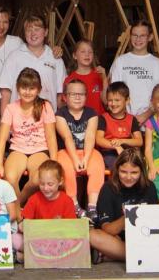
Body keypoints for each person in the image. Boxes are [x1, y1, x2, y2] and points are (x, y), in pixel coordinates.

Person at [0, 67, 58, 205]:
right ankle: (19, 213)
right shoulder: (11, 108)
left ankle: (19, 205)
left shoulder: (45, 106)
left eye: (32, 88)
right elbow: (2, 139)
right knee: (10, 178)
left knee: (37, 179)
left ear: (39, 90)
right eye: (24, 88)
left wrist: (54, 162)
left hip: (40, 150)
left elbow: (51, 137)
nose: (27, 92)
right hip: (17, 149)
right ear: (18, 88)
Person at [89, 148, 159, 263]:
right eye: (123, 172)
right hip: (117, 239)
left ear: (141, 171)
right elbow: (107, 229)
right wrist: (127, 217)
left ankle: (114, 256)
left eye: (134, 172)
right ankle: (141, 257)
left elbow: (155, 224)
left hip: (143, 237)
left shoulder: (149, 187)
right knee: (92, 235)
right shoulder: (108, 188)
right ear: (117, 170)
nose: (128, 177)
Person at [55, 79, 105, 220]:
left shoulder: (92, 113)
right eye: (73, 94)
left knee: (98, 162)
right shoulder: (60, 114)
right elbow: (67, 137)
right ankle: (74, 204)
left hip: (87, 150)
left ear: (86, 96)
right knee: (65, 167)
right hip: (67, 151)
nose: (77, 97)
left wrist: (86, 158)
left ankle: (92, 206)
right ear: (65, 97)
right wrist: (75, 159)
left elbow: (90, 136)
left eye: (81, 94)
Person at [0, 15, 67, 112]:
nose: (33, 33)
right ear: (24, 33)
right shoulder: (14, 57)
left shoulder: (55, 58)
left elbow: (60, 94)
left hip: (47, 116)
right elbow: (5, 91)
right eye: (29, 30)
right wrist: (4, 118)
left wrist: (62, 118)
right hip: (19, 117)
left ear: (46, 32)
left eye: (37, 29)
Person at [108, 20, 159, 124]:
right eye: (135, 35)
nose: (138, 39)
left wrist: (145, 115)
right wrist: (127, 118)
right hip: (123, 121)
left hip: (151, 123)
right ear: (130, 36)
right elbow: (113, 92)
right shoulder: (120, 61)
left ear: (150, 37)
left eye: (142, 36)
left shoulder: (157, 64)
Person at [96, 82, 144, 170]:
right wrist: (116, 146)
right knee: (117, 164)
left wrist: (121, 141)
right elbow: (99, 139)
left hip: (127, 151)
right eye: (110, 100)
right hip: (109, 152)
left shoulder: (131, 119)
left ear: (127, 100)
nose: (113, 104)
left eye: (117, 100)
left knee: (136, 162)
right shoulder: (103, 118)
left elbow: (139, 141)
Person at [64, 39, 107, 114]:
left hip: (98, 119)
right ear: (75, 56)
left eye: (90, 52)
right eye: (83, 52)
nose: (87, 55)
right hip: (78, 120)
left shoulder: (99, 76)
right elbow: (66, 105)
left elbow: (106, 101)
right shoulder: (70, 80)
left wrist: (104, 79)